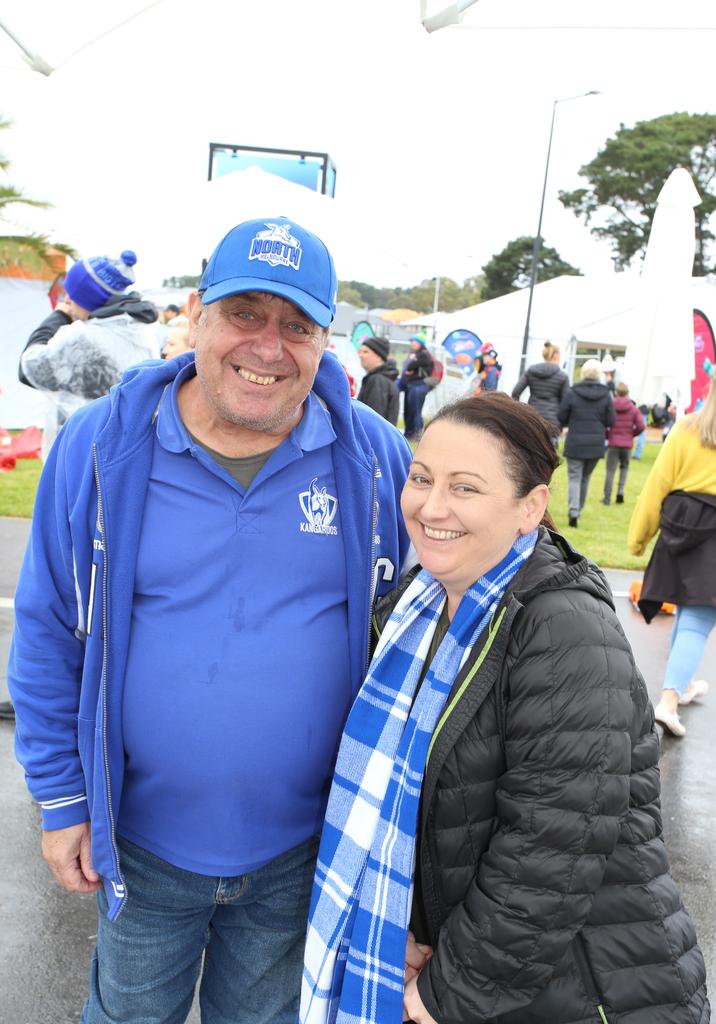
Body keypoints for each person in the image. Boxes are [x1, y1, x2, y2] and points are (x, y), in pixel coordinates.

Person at [8, 216, 414, 1024]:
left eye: (297, 325)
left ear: (325, 338)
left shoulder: (373, 458)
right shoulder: (99, 448)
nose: (268, 346)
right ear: (198, 313)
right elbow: (48, 629)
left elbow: (428, 621)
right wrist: (61, 801)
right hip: (144, 849)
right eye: (245, 314)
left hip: (306, 851)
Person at [301, 392, 709, 1024]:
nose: (431, 507)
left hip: (586, 987)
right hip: (478, 970)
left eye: (465, 488)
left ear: (530, 507)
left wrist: (446, 992)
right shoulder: (419, 607)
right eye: (421, 479)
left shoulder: (564, 629)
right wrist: (396, 935)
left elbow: (552, 852)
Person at [628, 359, 716, 738]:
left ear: (714, 386)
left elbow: (658, 485)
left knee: (688, 613)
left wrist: (639, 536)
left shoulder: (685, 429)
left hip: (678, 530)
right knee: (696, 621)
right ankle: (669, 701)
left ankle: (683, 683)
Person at [18, 250, 159, 452]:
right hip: (125, 450)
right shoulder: (136, 328)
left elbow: (29, 369)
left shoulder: (86, 337)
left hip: (83, 450)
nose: (67, 300)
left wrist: (58, 316)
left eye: (71, 295)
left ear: (86, 299)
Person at [558, 358, 615, 527]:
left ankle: (574, 511)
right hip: (595, 444)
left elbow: (562, 416)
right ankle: (577, 510)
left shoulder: (572, 392)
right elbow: (611, 420)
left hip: (575, 441)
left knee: (575, 478)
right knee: (585, 478)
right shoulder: (606, 395)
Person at [510, 339, 569, 446]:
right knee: (550, 456)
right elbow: (566, 402)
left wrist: (519, 410)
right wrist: (564, 424)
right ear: (556, 356)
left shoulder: (531, 371)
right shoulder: (562, 376)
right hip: (553, 421)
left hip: (533, 417)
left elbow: (516, 391)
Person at [602, 380, 646, 504]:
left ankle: (607, 497)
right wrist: (632, 435)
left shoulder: (611, 406)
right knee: (624, 468)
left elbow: (604, 423)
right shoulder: (633, 408)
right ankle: (620, 492)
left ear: (616, 392)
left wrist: (608, 435)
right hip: (627, 444)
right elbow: (641, 426)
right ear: (627, 393)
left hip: (613, 443)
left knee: (610, 471)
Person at [357, 335, 400, 424]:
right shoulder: (383, 378)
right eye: (360, 351)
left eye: (365, 352)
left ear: (379, 356)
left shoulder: (377, 380)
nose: (360, 355)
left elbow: (372, 420)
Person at [401, 334, 434, 441]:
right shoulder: (415, 354)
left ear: (420, 343)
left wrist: (411, 364)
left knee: (415, 410)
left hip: (419, 385)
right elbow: (406, 367)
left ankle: (417, 435)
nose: (412, 344)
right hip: (411, 385)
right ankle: (409, 433)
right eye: (411, 341)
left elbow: (409, 366)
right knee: (409, 410)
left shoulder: (424, 354)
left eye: (414, 341)